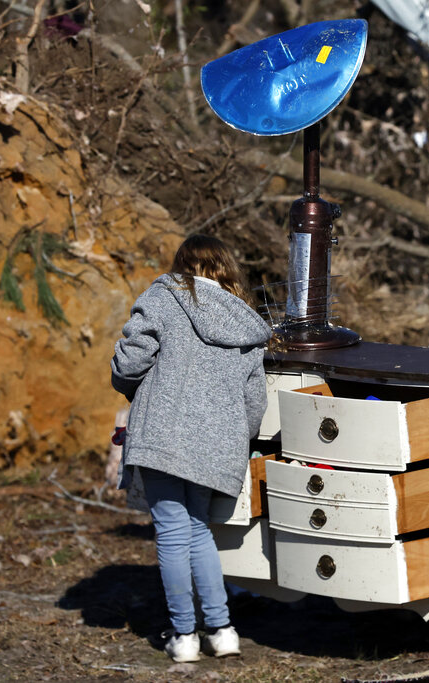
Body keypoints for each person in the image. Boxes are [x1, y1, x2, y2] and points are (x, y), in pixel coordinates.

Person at [110, 233, 271, 662]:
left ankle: (183, 635)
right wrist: (237, 437)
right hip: (216, 444)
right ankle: (222, 631)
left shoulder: (164, 296)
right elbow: (254, 401)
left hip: (163, 433)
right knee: (198, 529)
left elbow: (131, 361)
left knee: (172, 532)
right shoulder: (246, 323)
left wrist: (127, 385)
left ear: (184, 265)